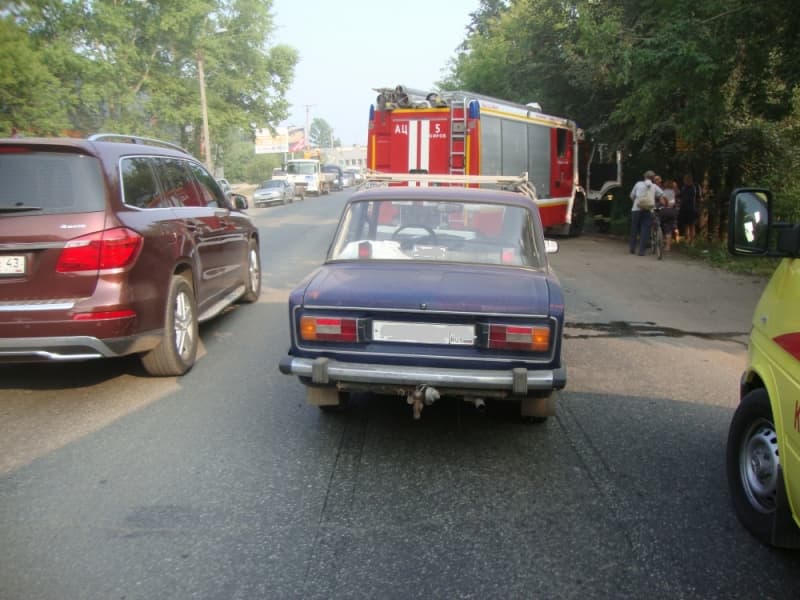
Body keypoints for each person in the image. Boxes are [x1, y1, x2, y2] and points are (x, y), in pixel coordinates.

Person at [629, 170, 664, 256]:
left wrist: (636, 202)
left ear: (644, 177)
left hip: (636, 209)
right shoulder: (654, 186)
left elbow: (631, 196)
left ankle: (632, 248)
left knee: (634, 229)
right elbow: (662, 195)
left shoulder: (638, 184)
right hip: (648, 209)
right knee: (645, 230)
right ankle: (641, 251)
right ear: (653, 178)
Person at [678, 173, 701, 244]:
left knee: (688, 225)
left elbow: (680, 196)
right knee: (691, 225)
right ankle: (691, 241)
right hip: (691, 208)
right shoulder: (695, 187)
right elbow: (699, 197)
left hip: (688, 208)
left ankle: (688, 240)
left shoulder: (685, 187)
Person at [658, 179, 678, 251]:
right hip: (672, 211)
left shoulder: (662, 192)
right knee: (669, 229)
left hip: (664, 210)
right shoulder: (673, 192)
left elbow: (662, 202)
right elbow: (674, 202)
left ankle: (660, 239)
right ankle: (668, 247)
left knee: (659, 223)